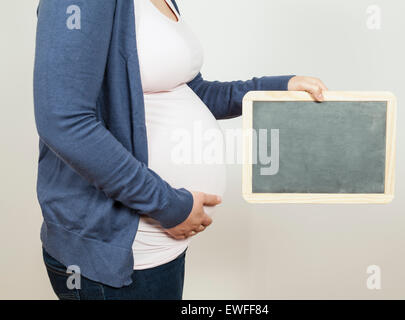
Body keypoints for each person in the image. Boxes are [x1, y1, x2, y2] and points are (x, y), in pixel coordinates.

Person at [34, 0, 328, 300]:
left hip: (160, 241)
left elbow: (190, 91)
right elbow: (64, 122)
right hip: (120, 251)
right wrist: (169, 206)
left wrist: (274, 88)